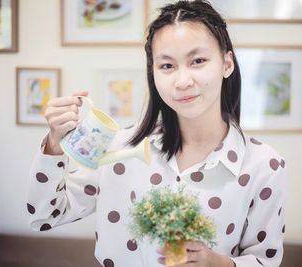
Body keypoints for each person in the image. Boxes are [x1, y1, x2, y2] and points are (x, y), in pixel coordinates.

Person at [27, 1, 287, 266]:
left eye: (198, 61)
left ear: (227, 63)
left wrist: (218, 263)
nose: (183, 81)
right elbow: (44, 215)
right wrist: (54, 144)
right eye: (167, 66)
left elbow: (266, 260)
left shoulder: (264, 165)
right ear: (153, 73)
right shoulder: (118, 149)